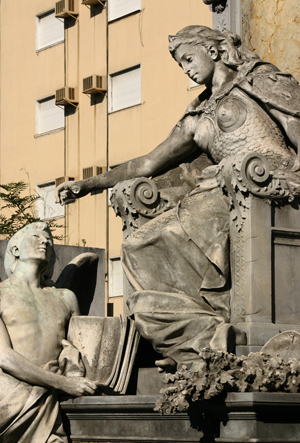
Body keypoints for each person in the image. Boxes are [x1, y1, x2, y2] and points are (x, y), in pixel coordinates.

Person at [56, 26, 300, 371]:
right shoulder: (198, 113)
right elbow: (148, 163)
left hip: (266, 188)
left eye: (188, 58)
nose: (186, 68)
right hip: (216, 194)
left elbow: (296, 126)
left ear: (213, 51)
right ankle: (201, 340)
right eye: (180, 63)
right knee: (138, 244)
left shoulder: (257, 81)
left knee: (167, 233)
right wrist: (88, 184)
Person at [0, 222, 97, 443]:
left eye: (49, 241)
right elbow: (3, 356)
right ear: (15, 250)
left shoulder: (66, 298)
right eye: (36, 237)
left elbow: (81, 349)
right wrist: (63, 383)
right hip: (10, 401)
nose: (44, 241)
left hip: (49, 403)